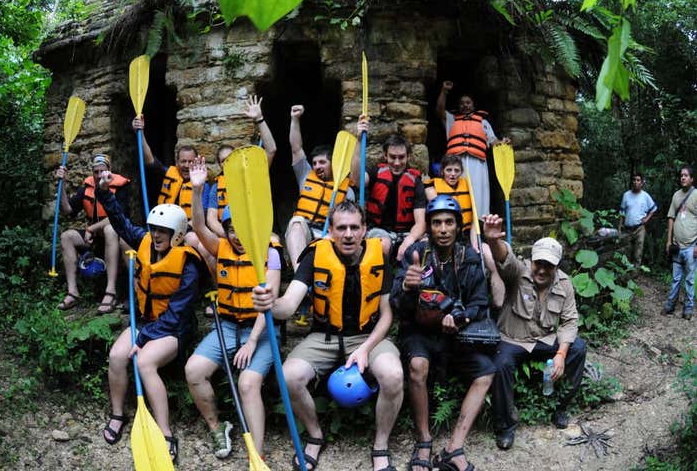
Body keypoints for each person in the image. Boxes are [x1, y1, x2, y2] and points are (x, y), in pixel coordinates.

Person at [252, 201, 403, 471]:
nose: (348, 234)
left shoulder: (378, 257)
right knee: (289, 377)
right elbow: (287, 306)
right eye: (341, 228)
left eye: (354, 228)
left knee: (393, 375)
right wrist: (269, 304)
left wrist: (366, 349)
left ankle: (380, 445)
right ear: (330, 231)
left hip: (367, 335)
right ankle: (315, 434)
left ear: (364, 230)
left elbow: (387, 316)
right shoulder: (314, 255)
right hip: (324, 337)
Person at [95, 171, 206, 461]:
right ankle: (118, 414)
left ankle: (166, 432)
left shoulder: (189, 265)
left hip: (173, 329)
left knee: (144, 361)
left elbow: (176, 313)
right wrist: (105, 192)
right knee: (118, 356)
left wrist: (143, 338)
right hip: (146, 322)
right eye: (154, 228)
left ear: (178, 234)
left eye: (163, 231)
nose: (156, 235)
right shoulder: (144, 240)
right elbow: (120, 223)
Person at [184, 157, 282, 458]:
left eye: (241, 228)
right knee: (194, 370)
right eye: (230, 229)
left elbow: (270, 303)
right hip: (227, 325)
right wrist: (198, 190)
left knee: (248, 383)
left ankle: (258, 453)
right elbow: (198, 225)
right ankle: (218, 428)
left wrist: (252, 342)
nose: (236, 236)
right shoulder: (221, 246)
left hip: (261, 329)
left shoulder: (271, 253)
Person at [392, 195, 495, 471]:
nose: (443, 229)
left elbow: (480, 302)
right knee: (417, 365)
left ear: (458, 226)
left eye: (449, 222)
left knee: (486, 373)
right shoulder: (415, 255)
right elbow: (397, 306)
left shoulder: (469, 258)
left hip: (455, 334)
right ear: (429, 227)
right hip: (419, 331)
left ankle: (453, 447)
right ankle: (424, 440)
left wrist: (462, 317)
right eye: (437, 223)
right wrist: (407, 288)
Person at [482, 214, 587, 450]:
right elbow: (504, 259)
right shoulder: (518, 273)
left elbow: (570, 321)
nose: (541, 269)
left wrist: (561, 353)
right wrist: (493, 241)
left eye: (548, 265)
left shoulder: (565, 284)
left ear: (556, 266)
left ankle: (561, 407)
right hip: (512, 339)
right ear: (531, 261)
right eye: (538, 263)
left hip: (543, 340)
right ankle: (505, 425)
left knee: (578, 347)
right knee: (500, 365)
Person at [425, 154, 505, 306]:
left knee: (492, 261)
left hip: (466, 236)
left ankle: (498, 307)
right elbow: (437, 210)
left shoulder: (467, 185)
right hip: (446, 238)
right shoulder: (432, 188)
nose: (453, 174)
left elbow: (474, 219)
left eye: (456, 170)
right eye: (449, 170)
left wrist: (475, 243)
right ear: (442, 171)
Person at [54, 154, 130, 313]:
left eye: (102, 171)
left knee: (109, 230)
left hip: (113, 232)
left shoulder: (121, 187)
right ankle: (73, 292)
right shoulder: (87, 187)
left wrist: (91, 229)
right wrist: (61, 184)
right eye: (96, 172)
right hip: (95, 236)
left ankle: (110, 291)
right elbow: (67, 210)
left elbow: (118, 217)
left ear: (109, 171)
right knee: (66, 237)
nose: (99, 175)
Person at [131, 116, 212, 264]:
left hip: (186, 230)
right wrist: (140, 132)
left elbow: (204, 214)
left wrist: (182, 229)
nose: (187, 165)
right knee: (128, 241)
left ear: (196, 162)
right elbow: (150, 160)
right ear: (177, 162)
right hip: (161, 228)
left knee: (193, 240)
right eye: (183, 161)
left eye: (190, 162)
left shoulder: (203, 186)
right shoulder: (168, 173)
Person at [285, 104, 355, 270]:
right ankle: (299, 274)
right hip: (306, 230)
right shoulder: (305, 175)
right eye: (315, 163)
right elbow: (296, 149)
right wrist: (294, 119)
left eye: (322, 162)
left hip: (330, 233)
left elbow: (351, 222)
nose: (317, 166)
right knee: (295, 222)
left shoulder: (347, 190)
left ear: (334, 164)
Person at [351, 117, 427, 260]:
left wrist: (408, 242)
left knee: (423, 247)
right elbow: (356, 180)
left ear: (408, 156)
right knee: (383, 244)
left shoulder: (415, 181)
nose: (397, 162)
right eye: (392, 157)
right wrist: (359, 140)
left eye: (401, 157)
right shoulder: (376, 172)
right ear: (385, 155)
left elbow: (420, 223)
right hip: (379, 231)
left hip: (407, 233)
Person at [206, 95, 277, 237]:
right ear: (220, 165)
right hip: (229, 234)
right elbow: (211, 219)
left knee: (275, 241)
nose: (227, 162)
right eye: (223, 160)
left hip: (255, 233)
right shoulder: (216, 187)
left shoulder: (252, 175)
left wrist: (259, 119)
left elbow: (271, 150)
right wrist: (230, 237)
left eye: (231, 158)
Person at [434, 81, 507, 217]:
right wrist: (444, 90)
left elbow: (493, 141)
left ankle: (479, 226)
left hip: (477, 164)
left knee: (479, 195)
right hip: (457, 164)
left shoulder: (482, 122)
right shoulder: (453, 120)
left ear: (473, 105)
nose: (465, 105)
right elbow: (439, 110)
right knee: (458, 195)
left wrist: (503, 142)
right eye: (462, 103)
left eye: (468, 102)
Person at [664, 165, 697, 320]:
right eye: (681, 175)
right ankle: (670, 305)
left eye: (686, 175)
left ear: (691, 178)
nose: (683, 178)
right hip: (677, 246)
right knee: (676, 278)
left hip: (691, 246)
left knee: (690, 279)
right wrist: (669, 241)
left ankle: (688, 309)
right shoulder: (676, 196)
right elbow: (671, 217)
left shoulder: (696, 195)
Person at [618, 173, 657, 268]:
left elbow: (654, 208)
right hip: (627, 228)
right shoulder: (626, 195)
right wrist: (619, 226)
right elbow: (622, 212)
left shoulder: (645, 196)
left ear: (642, 183)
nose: (635, 182)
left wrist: (647, 219)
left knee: (638, 252)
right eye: (634, 180)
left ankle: (635, 273)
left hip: (640, 228)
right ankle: (625, 272)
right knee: (626, 251)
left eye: (638, 180)